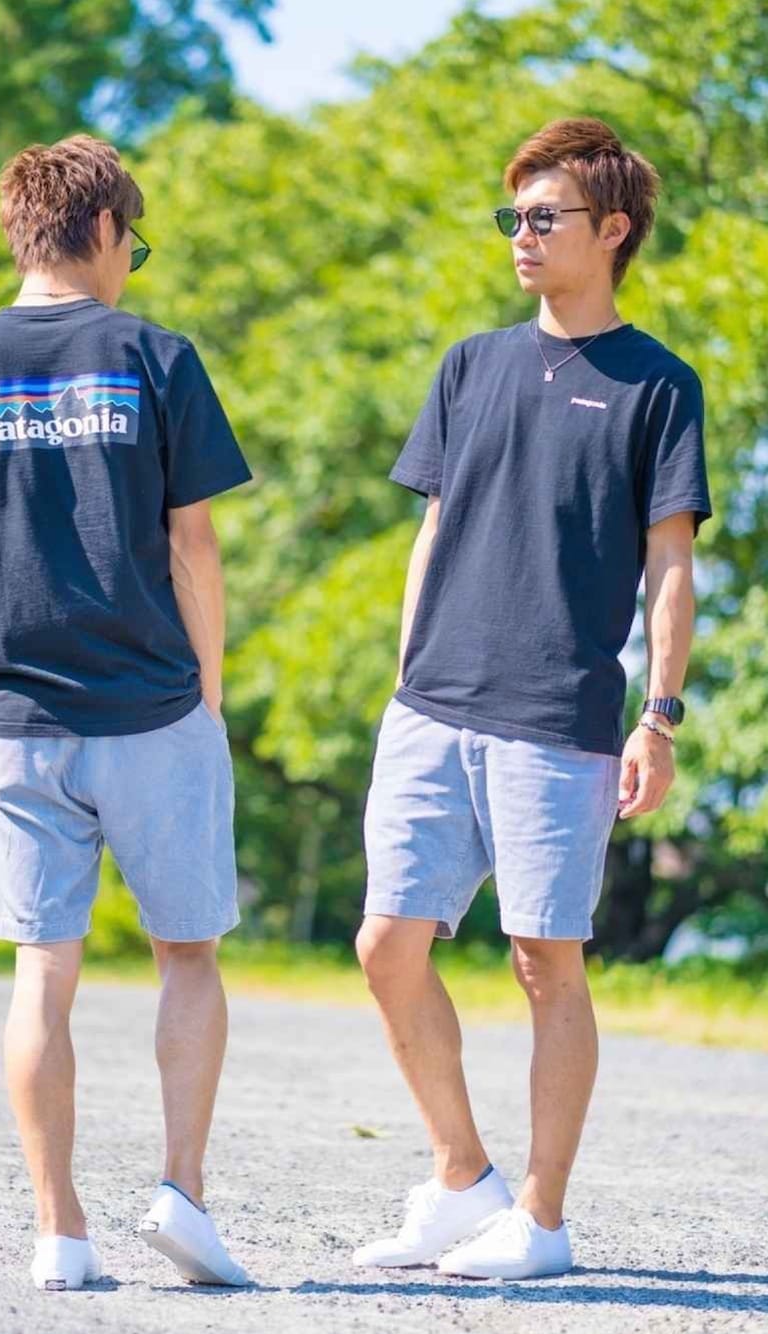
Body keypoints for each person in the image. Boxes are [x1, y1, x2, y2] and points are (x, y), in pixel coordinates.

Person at [0, 134, 253, 1292]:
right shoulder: (157, 355)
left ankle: (60, 1230)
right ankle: (181, 1193)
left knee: (43, 968)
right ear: (101, 229)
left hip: (19, 719)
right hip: (155, 707)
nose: (132, 263)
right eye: (134, 242)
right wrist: (209, 689)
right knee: (187, 954)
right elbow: (194, 545)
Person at [353, 118, 711, 1280]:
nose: (520, 233)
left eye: (543, 215)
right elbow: (433, 528)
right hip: (431, 703)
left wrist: (658, 713)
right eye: (512, 214)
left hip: (559, 715)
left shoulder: (658, 384)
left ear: (611, 230)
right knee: (385, 943)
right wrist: (403, 676)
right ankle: (462, 1176)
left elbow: (669, 563)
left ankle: (541, 1221)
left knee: (543, 958)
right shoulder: (471, 364)